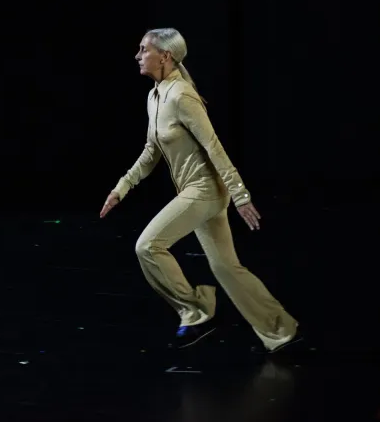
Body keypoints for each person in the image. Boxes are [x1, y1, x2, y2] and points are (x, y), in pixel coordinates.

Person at [100, 28, 299, 353]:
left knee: (148, 247)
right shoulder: (155, 95)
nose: (138, 56)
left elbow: (213, 146)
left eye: (143, 49)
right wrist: (122, 187)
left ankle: (197, 311)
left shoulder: (182, 95)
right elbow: (152, 152)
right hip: (196, 191)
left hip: (204, 190)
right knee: (226, 268)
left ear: (164, 56)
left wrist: (241, 195)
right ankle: (282, 330)